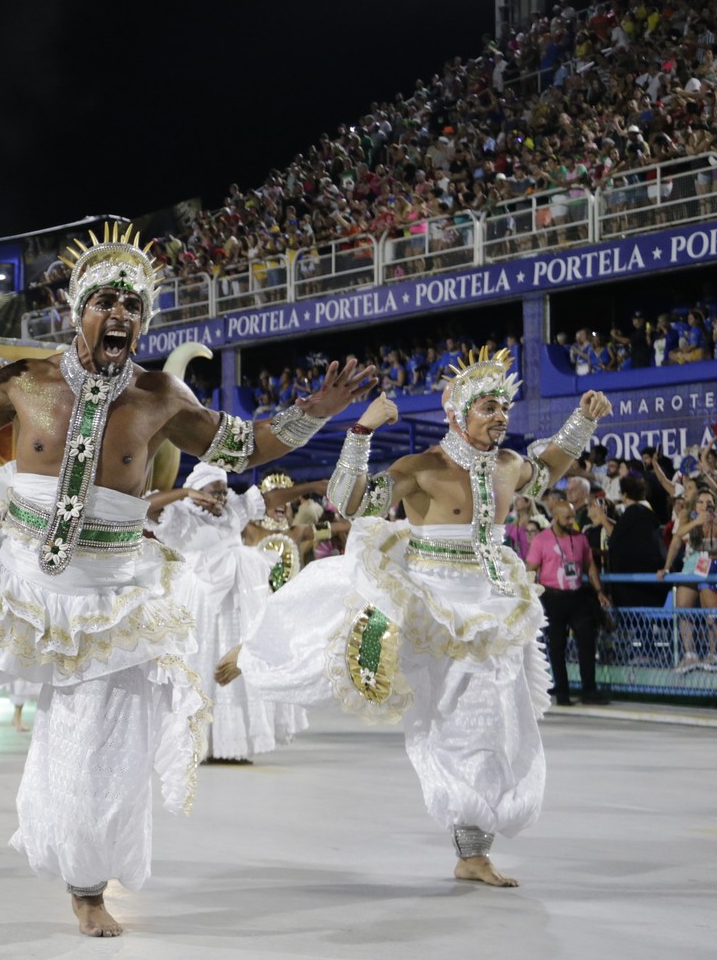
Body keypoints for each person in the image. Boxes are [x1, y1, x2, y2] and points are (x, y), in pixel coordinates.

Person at [0, 224, 375, 937]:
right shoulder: (27, 380)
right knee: (57, 727)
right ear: (76, 309)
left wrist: (318, 412)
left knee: (104, 738)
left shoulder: (162, 396)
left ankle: (87, 879)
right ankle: (62, 846)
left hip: (116, 593)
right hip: (22, 581)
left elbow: (246, 444)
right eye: (106, 300)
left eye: (134, 305)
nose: (120, 314)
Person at [221, 347, 612, 887]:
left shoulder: (508, 466)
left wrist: (582, 421)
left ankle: (472, 852)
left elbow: (547, 469)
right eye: (488, 407)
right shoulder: (421, 468)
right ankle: (258, 650)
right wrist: (361, 430)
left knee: (487, 723)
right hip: (424, 600)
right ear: (458, 413)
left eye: (504, 407)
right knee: (334, 646)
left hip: (491, 609)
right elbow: (349, 503)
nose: (500, 416)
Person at [147, 463, 306, 764]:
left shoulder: (234, 510)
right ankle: (194, 742)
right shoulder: (180, 516)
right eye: (213, 491)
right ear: (197, 492)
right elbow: (144, 506)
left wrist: (314, 487)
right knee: (199, 662)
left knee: (235, 663)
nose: (220, 497)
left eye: (223, 490)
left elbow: (270, 498)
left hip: (238, 601)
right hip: (199, 602)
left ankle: (232, 743)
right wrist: (183, 492)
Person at [526, 495, 611, 705]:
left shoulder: (580, 538)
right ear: (555, 517)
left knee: (587, 641)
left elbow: (589, 565)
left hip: (577, 595)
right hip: (553, 597)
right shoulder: (541, 540)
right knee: (556, 645)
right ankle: (562, 690)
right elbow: (530, 570)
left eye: (572, 517)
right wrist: (532, 595)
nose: (571, 521)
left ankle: (589, 690)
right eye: (566, 518)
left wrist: (599, 591)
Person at [660, 488, 717, 673]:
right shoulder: (689, 518)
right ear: (695, 504)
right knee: (712, 614)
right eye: (701, 502)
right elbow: (677, 536)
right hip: (705, 565)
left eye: (709, 503)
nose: (706, 506)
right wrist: (696, 522)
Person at [607, 476, 668, 608]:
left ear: (624, 495)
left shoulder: (633, 513)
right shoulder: (648, 514)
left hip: (635, 587)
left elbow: (617, 538)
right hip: (651, 585)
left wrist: (601, 518)